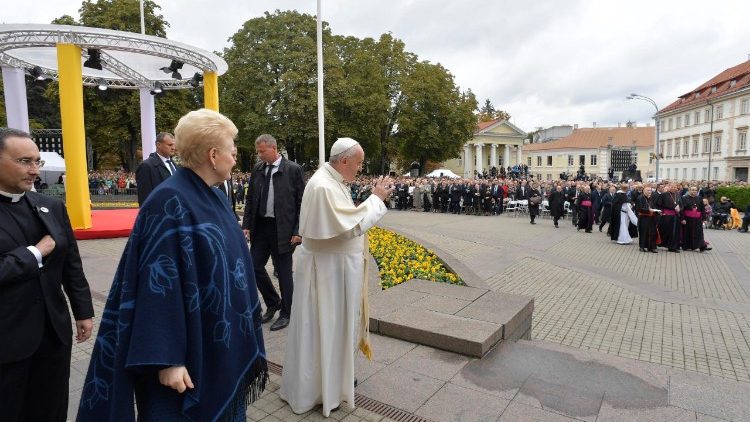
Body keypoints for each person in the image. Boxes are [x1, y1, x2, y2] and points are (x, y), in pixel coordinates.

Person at [78, 109, 268, 421]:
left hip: (220, 342)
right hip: (185, 362)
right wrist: (167, 359)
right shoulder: (169, 200)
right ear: (213, 154)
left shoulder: (214, 196)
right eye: (232, 149)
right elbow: (156, 284)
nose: (235, 157)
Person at [280, 137, 393, 417]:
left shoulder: (331, 181)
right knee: (325, 328)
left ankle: (334, 382)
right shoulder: (322, 185)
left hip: (333, 269)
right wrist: (376, 200)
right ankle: (321, 389)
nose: (359, 168)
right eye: (358, 163)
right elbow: (349, 226)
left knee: (331, 329)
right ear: (344, 161)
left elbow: (347, 218)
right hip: (327, 273)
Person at [0, 128, 94, 422]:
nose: (34, 171)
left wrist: (83, 311)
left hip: (53, 334)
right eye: (24, 161)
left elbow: (71, 263)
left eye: (37, 162)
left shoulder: (50, 206)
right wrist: (35, 253)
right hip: (7, 339)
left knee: (51, 408)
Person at [241, 134, 305, 331]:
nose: (259, 155)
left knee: (284, 272)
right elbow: (251, 199)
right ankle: (273, 302)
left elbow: (302, 203)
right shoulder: (258, 169)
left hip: (284, 229)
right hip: (261, 228)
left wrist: (298, 230)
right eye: (258, 151)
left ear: (273, 148)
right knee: (253, 267)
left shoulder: (293, 170)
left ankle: (287, 311)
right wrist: (247, 225)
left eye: (262, 151)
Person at [135, 132, 177, 206]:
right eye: (170, 145)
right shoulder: (146, 166)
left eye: (174, 145)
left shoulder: (174, 165)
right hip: (159, 213)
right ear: (158, 145)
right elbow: (144, 197)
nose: (173, 148)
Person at [681, 186, 709, 252]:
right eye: (693, 190)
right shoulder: (684, 198)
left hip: (697, 219)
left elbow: (702, 210)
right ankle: (686, 246)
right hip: (688, 219)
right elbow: (682, 210)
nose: (694, 191)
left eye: (695, 190)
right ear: (689, 190)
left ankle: (702, 246)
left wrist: (704, 219)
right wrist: (683, 219)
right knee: (687, 233)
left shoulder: (699, 198)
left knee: (699, 233)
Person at [655, 184, 681, 252]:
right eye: (672, 187)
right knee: (665, 231)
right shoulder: (663, 195)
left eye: (675, 187)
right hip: (666, 216)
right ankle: (657, 243)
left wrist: (680, 208)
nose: (673, 188)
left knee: (674, 232)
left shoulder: (678, 195)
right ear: (669, 188)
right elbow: (658, 204)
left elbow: (681, 204)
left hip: (675, 216)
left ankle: (672, 247)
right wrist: (660, 212)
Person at [636, 186, 660, 253]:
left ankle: (652, 247)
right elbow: (639, 208)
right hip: (643, 218)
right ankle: (642, 247)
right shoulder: (640, 198)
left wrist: (657, 211)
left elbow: (653, 206)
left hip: (652, 218)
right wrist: (649, 210)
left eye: (650, 190)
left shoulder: (651, 198)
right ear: (644, 191)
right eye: (648, 190)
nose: (650, 192)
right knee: (644, 232)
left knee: (653, 232)